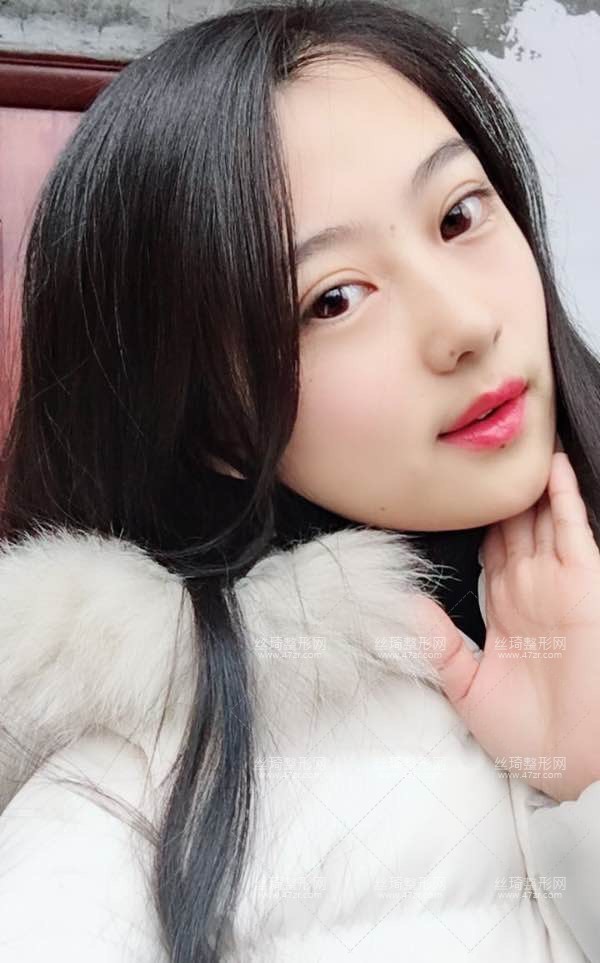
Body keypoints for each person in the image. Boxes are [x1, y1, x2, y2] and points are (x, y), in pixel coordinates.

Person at [0, 0, 599, 959]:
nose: (464, 324)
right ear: (215, 427)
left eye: (458, 216)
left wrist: (581, 776)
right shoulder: (123, 810)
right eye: (333, 299)